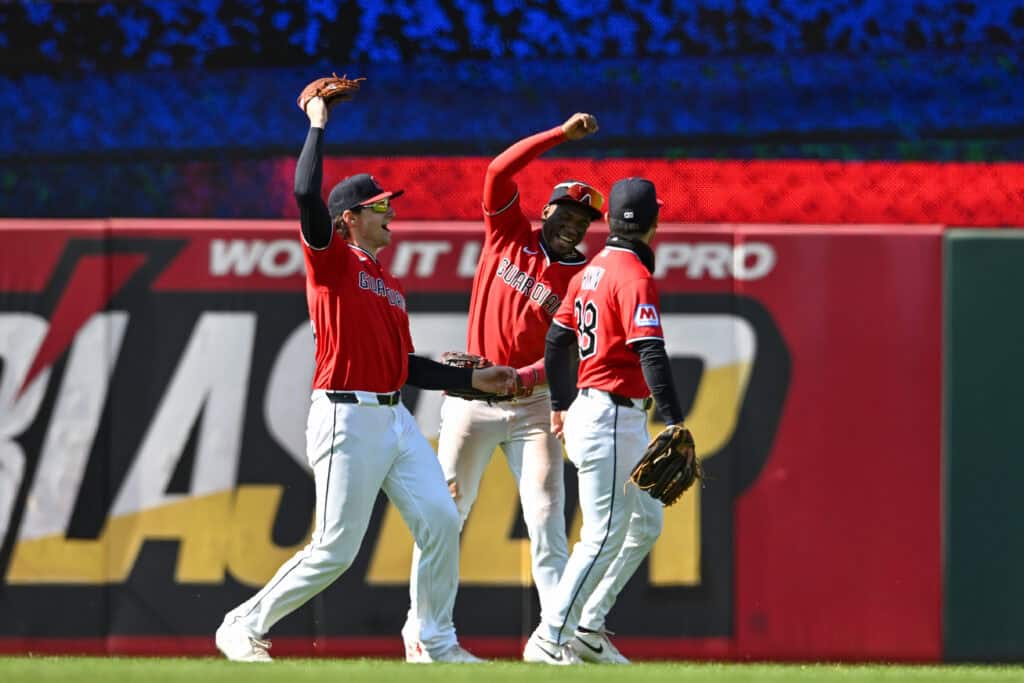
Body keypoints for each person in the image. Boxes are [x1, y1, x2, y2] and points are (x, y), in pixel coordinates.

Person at [214, 92, 515, 663]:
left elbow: (406, 368)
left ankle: (433, 642)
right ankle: (243, 624)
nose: (390, 212)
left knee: (441, 521)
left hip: (394, 418)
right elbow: (305, 193)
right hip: (344, 416)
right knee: (335, 549)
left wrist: (476, 381)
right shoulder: (330, 260)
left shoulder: (388, 284)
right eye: (380, 205)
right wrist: (317, 122)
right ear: (349, 217)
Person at [402, 114, 604, 660]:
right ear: (547, 211)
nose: (575, 223)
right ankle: (423, 633)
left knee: (546, 520)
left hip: (532, 406)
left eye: (585, 219)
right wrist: (559, 136)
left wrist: (526, 377)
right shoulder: (507, 234)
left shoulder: (584, 278)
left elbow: (573, 353)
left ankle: (553, 637)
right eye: (568, 211)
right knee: (444, 516)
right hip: (470, 402)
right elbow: (498, 169)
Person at [526, 177, 687, 665]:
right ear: (652, 223)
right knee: (603, 534)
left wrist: (559, 401)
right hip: (611, 416)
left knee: (647, 523)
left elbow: (557, 340)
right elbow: (650, 350)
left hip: (600, 412)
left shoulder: (590, 270)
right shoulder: (633, 274)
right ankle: (550, 636)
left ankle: (588, 627)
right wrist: (676, 421)